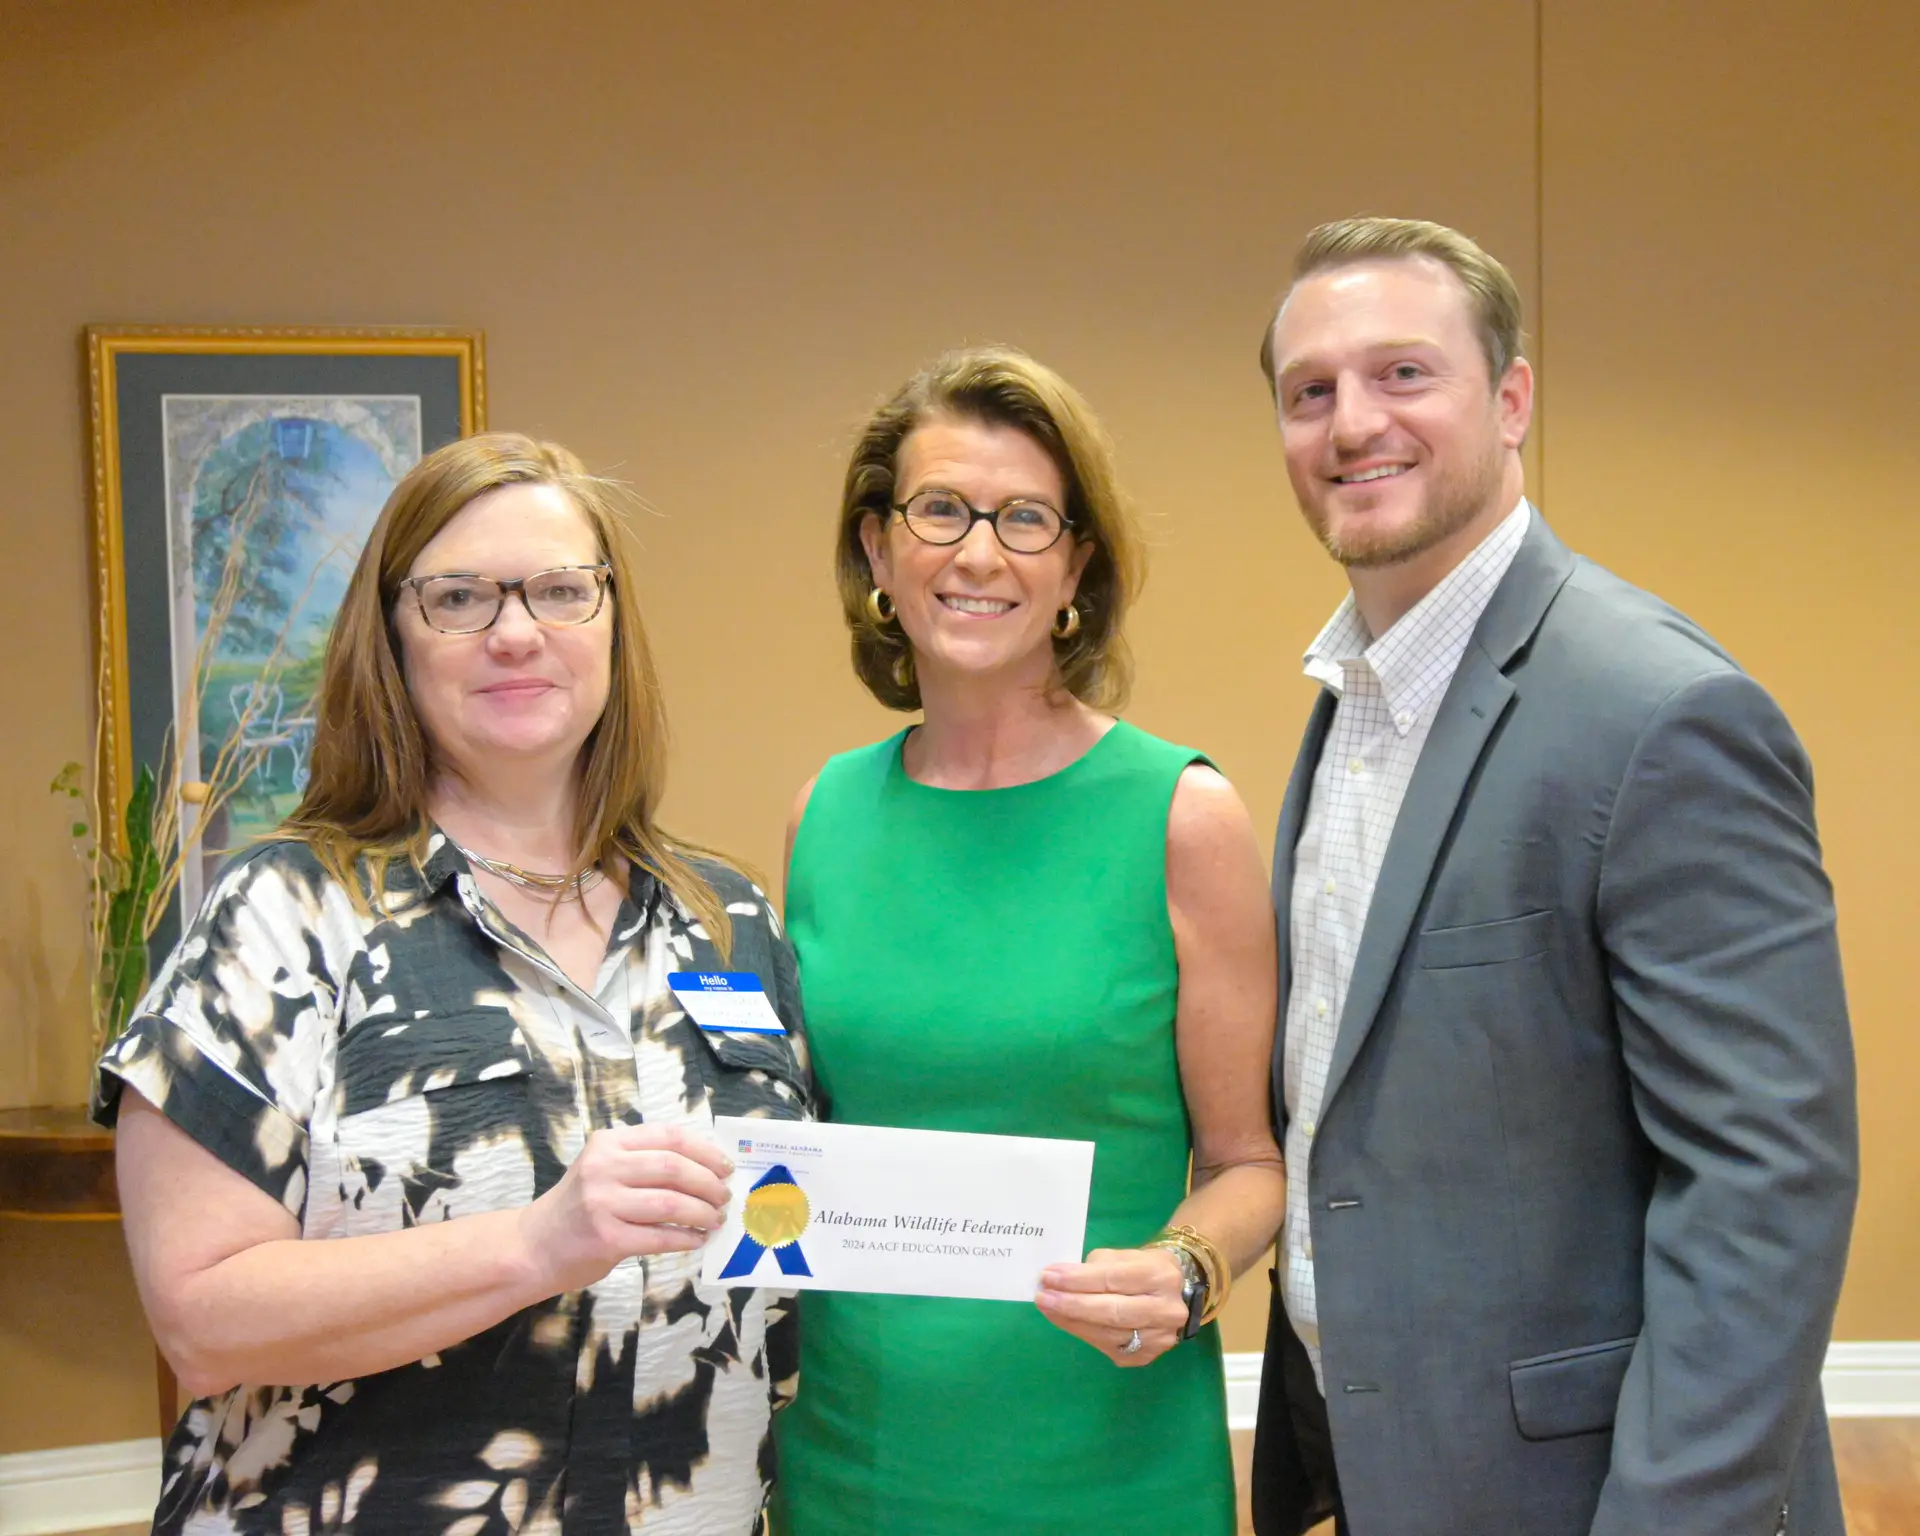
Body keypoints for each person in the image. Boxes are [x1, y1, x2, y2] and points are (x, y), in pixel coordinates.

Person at [1247, 217, 1859, 1536]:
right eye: (1312, 392)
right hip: (1396, 1468)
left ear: (1512, 400)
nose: (1352, 423)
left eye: (1404, 374)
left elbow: (1765, 1186)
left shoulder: (1660, 712)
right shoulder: (1357, 695)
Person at [94, 433, 813, 1535]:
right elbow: (202, 1320)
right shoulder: (288, 913)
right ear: (392, 636)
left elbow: (793, 1264)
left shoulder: (728, 919)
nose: (517, 631)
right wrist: (538, 1243)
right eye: (460, 597)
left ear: (611, 621)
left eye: (562, 590)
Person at [771, 346, 1286, 1535]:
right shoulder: (824, 813)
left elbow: (1249, 1164)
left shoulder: (1181, 814)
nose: (979, 553)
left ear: (1078, 568)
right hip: (856, 1446)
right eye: (940, 510)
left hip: (1101, 1447)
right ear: (876, 550)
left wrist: (1185, 1272)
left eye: (1026, 519)